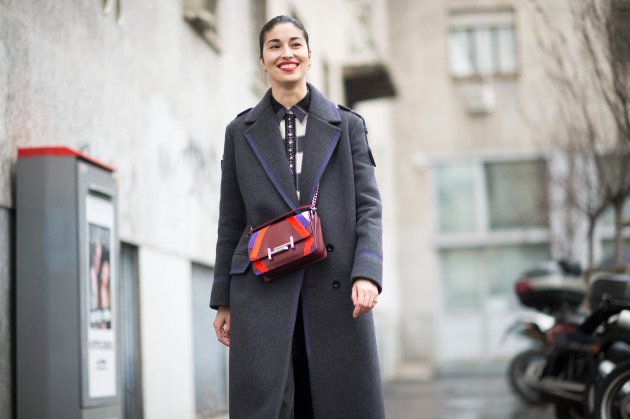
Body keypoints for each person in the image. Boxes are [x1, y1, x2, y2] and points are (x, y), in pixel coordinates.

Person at [211, 15, 385, 419]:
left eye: (295, 44)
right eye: (274, 46)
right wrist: (223, 299)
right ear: (262, 60)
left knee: (334, 400)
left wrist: (367, 272)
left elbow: (369, 207)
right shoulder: (240, 131)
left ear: (308, 55)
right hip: (261, 287)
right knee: (272, 402)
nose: (285, 53)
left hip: (337, 282)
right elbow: (229, 219)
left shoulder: (347, 126)